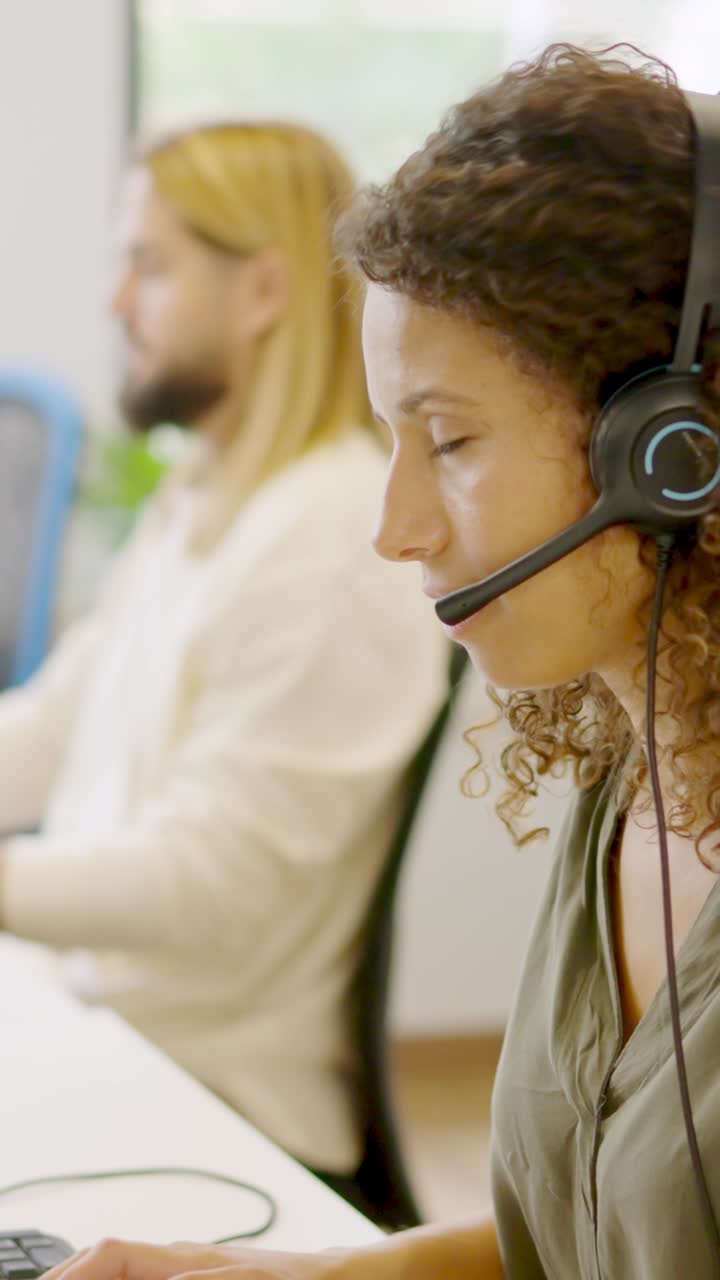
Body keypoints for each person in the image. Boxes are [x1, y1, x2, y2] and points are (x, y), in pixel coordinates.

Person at [41, 41, 720, 1280]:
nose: (394, 529)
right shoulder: (628, 779)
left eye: (449, 440)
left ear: (673, 450)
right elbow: (580, 1237)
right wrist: (314, 1273)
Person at [0, 121, 449, 1179]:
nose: (115, 300)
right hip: (112, 1040)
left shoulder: (328, 539)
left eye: (149, 267)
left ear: (261, 292)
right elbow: (51, 732)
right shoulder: (205, 495)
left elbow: (212, 882)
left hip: (217, 1113)